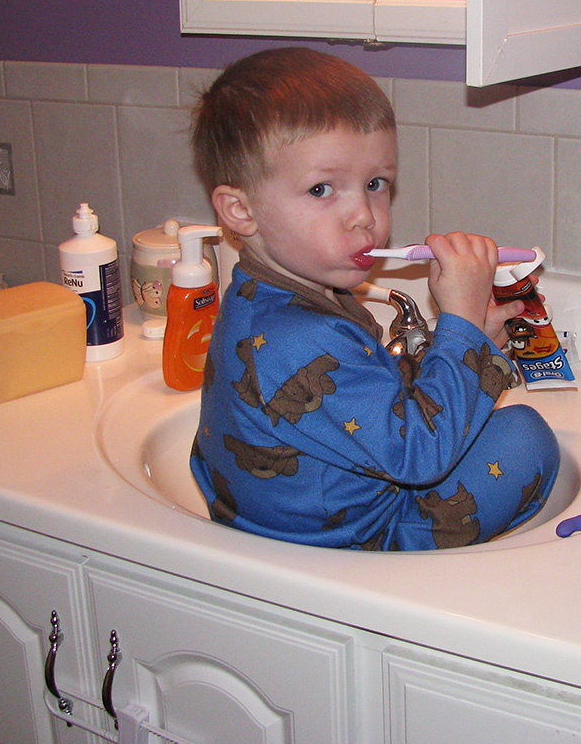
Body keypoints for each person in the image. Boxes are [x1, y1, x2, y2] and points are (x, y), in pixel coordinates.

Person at [189, 47, 560, 551]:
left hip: (288, 518)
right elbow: (421, 456)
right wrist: (460, 325)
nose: (364, 214)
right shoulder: (298, 336)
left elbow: (372, 398)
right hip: (356, 538)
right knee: (525, 436)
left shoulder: (272, 295)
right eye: (322, 189)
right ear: (239, 210)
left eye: (375, 183)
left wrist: (477, 342)